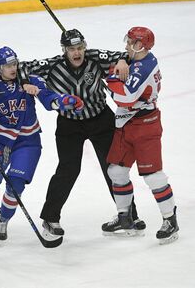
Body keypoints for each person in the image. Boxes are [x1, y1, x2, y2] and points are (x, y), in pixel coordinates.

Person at [18, 29, 146, 238]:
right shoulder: (53, 65)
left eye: (79, 48)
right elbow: (22, 67)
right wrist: (25, 82)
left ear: (84, 47)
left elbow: (124, 56)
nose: (76, 53)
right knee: (68, 170)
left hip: (100, 120)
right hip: (70, 125)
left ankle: (128, 216)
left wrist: (122, 60)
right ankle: (50, 218)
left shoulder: (95, 58)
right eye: (71, 49)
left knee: (113, 168)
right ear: (64, 50)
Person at [0, 46, 83, 240]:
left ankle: (3, 217)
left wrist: (64, 101)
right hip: (0, 140)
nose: (12, 68)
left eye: (14, 64)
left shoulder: (30, 79)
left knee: (16, 184)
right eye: (7, 65)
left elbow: (47, 98)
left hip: (28, 140)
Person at [105, 27, 178, 244]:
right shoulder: (138, 58)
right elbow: (122, 66)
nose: (127, 45)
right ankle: (124, 217)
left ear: (141, 46)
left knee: (153, 176)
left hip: (146, 126)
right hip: (126, 123)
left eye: (131, 42)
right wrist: (118, 65)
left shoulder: (144, 67)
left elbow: (125, 98)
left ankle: (170, 220)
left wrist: (111, 77)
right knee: (116, 171)